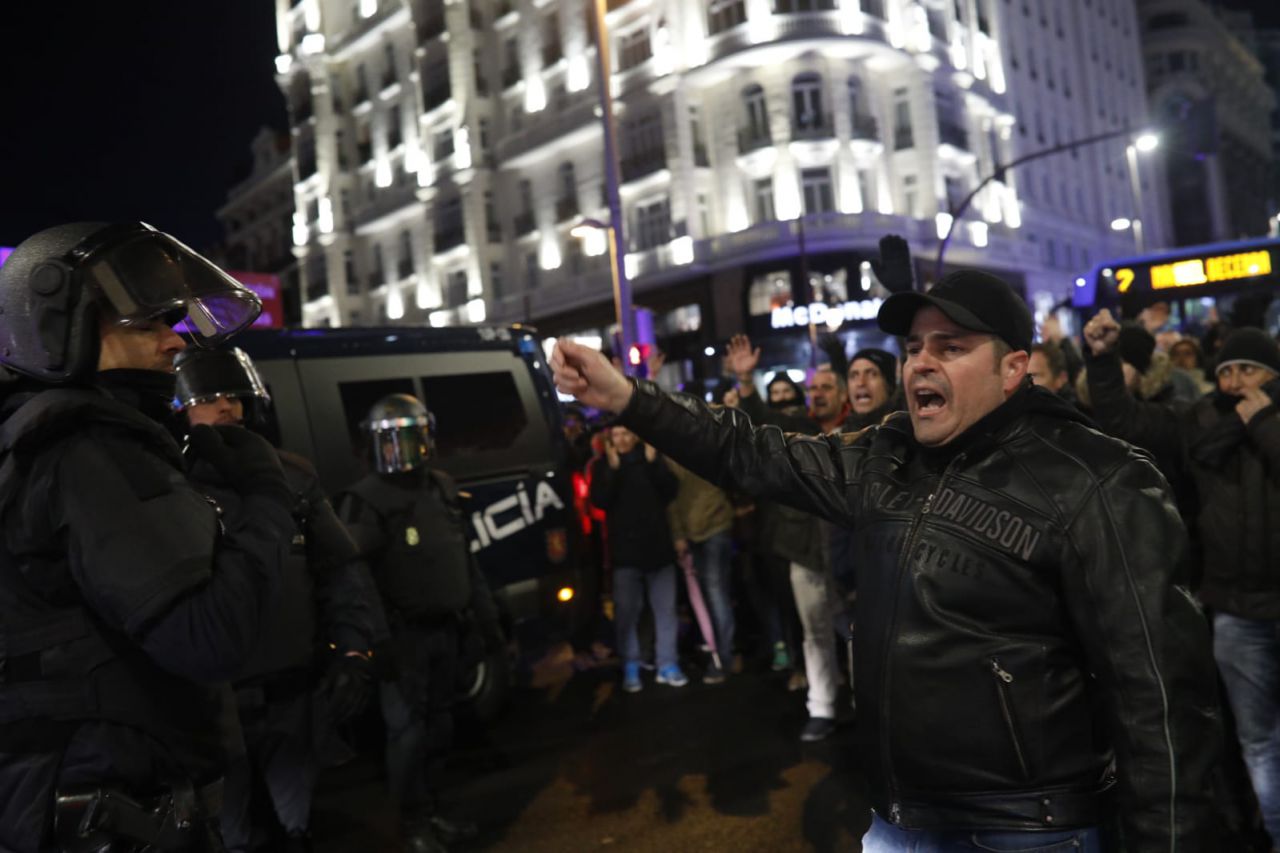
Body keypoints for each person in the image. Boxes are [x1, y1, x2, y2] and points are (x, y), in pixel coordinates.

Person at [552, 269, 1221, 850]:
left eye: (950, 347)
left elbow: (1161, 703)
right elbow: (751, 451)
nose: (920, 363)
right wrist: (627, 398)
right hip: (898, 822)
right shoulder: (885, 456)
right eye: (913, 348)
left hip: (1029, 830)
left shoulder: (1096, 480)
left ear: (1013, 368)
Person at [0, 221, 294, 852]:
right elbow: (210, 636)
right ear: (59, 328)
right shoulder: (90, 448)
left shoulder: (30, 440)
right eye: (146, 324)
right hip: (115, 820)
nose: (174, 341)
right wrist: (268, 499)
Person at [1083, 313, 1280, 847]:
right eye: (1228, 370)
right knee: (1259, 742)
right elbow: (1124, 422)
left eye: (1250, 370)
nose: (1235, 381)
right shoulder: (1200, 421)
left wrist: (1263, 423)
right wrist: (1103, 360)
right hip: (1236, 613)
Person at [175, 347, 381, 853]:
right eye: (209, 397)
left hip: (293, 694)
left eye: (234, 395)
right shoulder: (167, 485)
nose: (227, 406)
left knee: (295, 825)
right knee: (230, 835)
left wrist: (355, 650)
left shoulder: (294, 477)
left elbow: (341, 569)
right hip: (212, 709)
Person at [337, 393, 499, 853]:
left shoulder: (440, 487)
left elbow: (464, 558)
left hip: (448, 628)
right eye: (392, 440)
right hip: (404, 638)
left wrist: (485, 622)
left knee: (440, 728)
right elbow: (356, 579)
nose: (402, 450)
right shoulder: (365, 500)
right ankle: (413, 823)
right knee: (408, 735)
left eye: (411, 438)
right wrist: (378, 640)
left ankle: (433, 811)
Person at [729, 339, 846, 742]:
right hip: (804, 547)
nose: (818, 394)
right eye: (813, 388)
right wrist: (746, 381)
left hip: (854, 552)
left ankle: (867, 701)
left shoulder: (865, 429)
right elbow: (761, 422)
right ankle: (822, 707)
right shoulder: (801, 428)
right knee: (815, 631)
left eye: (826, 387)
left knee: (857, 630)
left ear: (842, 393)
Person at [589, 425, 687, 692]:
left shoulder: (650, 458)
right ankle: (631, 665)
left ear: (636, 436)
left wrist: (654, 463)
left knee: (665, 611)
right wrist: (612, 469)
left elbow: (670, 491)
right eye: (616, 435)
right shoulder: (603, 466)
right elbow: (600, 500)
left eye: (626, 434)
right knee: (627, 613)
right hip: (625, 553)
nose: (622, 439)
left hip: (658, 549)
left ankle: (668, 663)